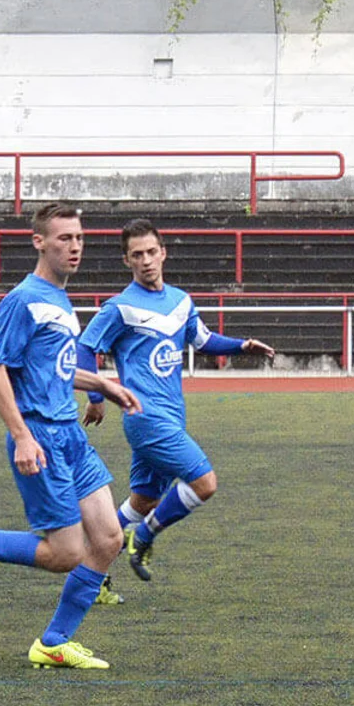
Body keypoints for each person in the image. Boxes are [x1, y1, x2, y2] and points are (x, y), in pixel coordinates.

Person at [0, 203, 141, 669]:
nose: (75, 247)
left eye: (79, 238)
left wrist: (101, 385)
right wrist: (21, 435)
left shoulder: (59, 299)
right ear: (39, 242)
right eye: (64, 239)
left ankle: (54, 642)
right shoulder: (23, 299)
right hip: (40, 435)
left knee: (108, 539)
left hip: (70, 436)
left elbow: (53, 369)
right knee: (65, 553)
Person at [78, 219, 275, 583]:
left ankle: (89, 573)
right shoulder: (120, 308)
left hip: (171, 417)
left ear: (163, 253)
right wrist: (95, 396)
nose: (146, 260)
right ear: (126, 261)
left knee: (143, 502)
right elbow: (85, 347)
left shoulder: (181, 301)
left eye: (151, 252)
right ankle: (143, 537)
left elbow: (203, 340)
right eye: (137, 255)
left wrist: (242, 346)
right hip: (144, 418)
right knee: (204, 483)